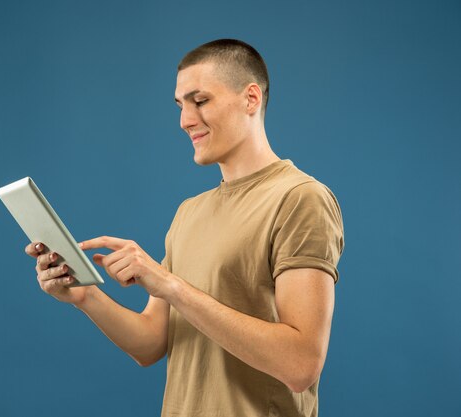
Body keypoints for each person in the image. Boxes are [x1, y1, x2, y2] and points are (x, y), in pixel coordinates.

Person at [24, 39, 344, 417]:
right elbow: (149, 344)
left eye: (201, 101)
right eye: (180, 105)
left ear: (251, 99)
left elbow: (300, 365)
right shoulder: (189, 213)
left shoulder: (300, 198)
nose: (185, 120)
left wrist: (170, 285)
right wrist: (84, 296)